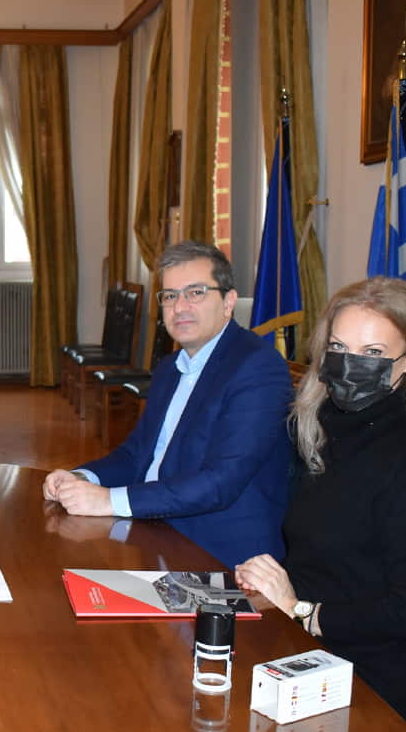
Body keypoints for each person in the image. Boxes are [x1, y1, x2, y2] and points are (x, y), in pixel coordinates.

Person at [236, 277, 406, 724]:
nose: (350, 365)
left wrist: (301, 610)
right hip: (298, 643)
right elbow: (324, 560)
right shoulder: (321, 430)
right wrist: (269, 584)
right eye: (338, 348)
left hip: (366, 679)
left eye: (372, 353)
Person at [43, 240, 294, 567]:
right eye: (170, 296)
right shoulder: (170, 368)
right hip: (156, 532)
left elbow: (220, 483)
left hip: (223, 558)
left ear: (229, 301)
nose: (180, 307)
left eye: (196, 293)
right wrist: (84, 477)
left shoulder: (257, 367)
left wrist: (109, 500)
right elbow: (136, 455)